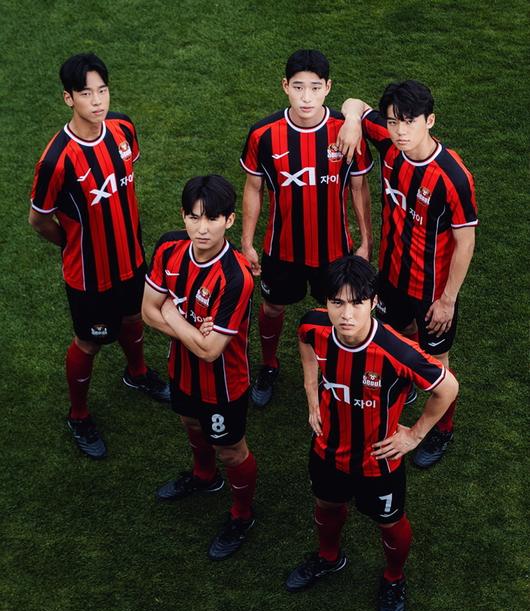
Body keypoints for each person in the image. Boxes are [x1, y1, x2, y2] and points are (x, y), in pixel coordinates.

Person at [286, 255, 458, 611]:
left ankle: (394, 579)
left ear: (374, 302)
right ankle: (329, 557)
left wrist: (414, 435)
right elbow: (303, 339)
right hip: (327, 448)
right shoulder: (315, 325)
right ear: (326, 302)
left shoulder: (397, 351)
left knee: (389, 522)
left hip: (379, 461)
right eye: (337, 303)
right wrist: (311, 391)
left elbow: (448, 387)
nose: (346, 314)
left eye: (357, 303)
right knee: (326, 504)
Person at [29, 53, 169, 460]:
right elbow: (38, 219)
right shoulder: (56, 160)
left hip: (131, 258)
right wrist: (72, 243)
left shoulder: (123, 129)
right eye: (86, 93)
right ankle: (78, 415)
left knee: (133, 317)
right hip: (88, 274)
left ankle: (137, 373)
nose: (97, 101)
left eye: (102, 91)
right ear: (68, 98)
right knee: (89, 342)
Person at [337, 80, 477, 467]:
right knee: (395, 338)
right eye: (393, 121)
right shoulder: (388, 142)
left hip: (432, 293)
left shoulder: (453, 177)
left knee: (438, 363)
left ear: (430, 121)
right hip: (391, 278)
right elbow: (353, 103)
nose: (400, 131)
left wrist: (447, 301)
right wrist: (352, 121)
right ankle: (406, 385)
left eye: (410, 122)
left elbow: (466, 242)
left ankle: (441, 430)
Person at [240, 49, 373, 408]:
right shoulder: (264, 134)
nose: (306, 97)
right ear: (285, 86)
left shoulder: (346, 130)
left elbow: (359, 187)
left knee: (337, 312)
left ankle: (335, 370)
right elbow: (253, 187)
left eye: (315, 88)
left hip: (335, 251)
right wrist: (247, 242)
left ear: (328, 87)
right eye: (298, 87)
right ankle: (269, 365)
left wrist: (366, 242)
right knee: (272, 308)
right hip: (281, 249)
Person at [142, 175, 257, 561]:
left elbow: (210, 353)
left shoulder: (236, 277)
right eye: (194, 217)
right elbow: (147, 312)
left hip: (224, 383)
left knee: (231, 451)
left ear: (229, 220)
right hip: (182, 370)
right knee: (190, 423)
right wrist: (191, 330)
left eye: (212, 218)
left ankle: (242, 515)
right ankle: (204, 478)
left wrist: (173, 314)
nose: (202, 228)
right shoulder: (169, 248)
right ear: (183, 216)